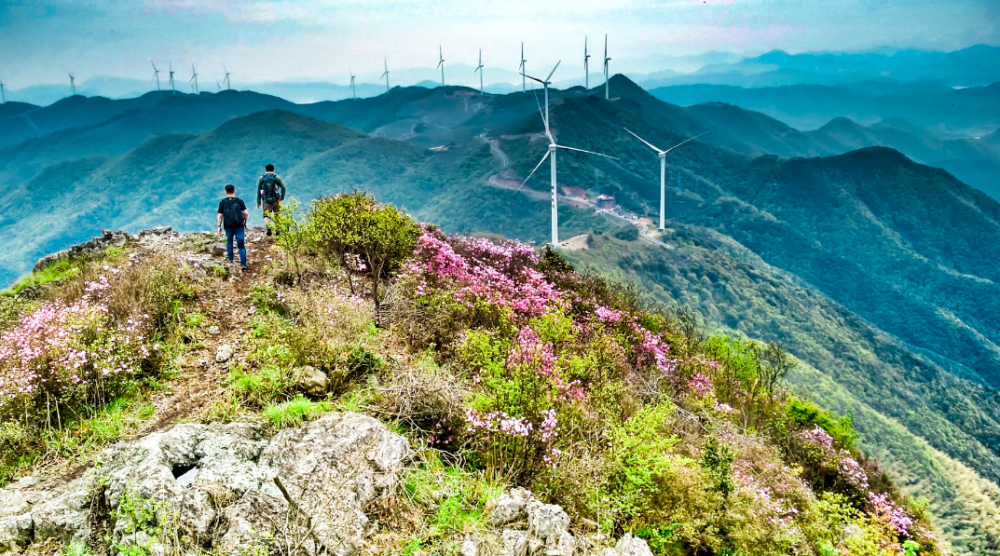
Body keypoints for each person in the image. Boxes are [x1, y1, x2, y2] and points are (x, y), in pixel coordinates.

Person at [217, 184, 250, 272]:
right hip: (239, 225)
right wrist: (245, 223)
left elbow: (220, 215)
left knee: (229, 240)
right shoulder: (239, 201)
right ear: (234, 191)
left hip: (228, 226)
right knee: (241, 244)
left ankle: (230, 259)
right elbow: (246, 213)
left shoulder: (223, 202)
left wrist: (219, 226)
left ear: (225, 192)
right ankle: (243, 264)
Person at [256, 163, 287, 236]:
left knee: (266, 216)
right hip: (276, 200)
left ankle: (269, 228)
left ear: (265, 170)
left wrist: (258, 202)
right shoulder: (276, 178)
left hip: (266, 201)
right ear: (273, 170)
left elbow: (259, 190)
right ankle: (278, 232)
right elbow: (283, 188)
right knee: (277, 216)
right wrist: (281, 198)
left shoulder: (262, 178)